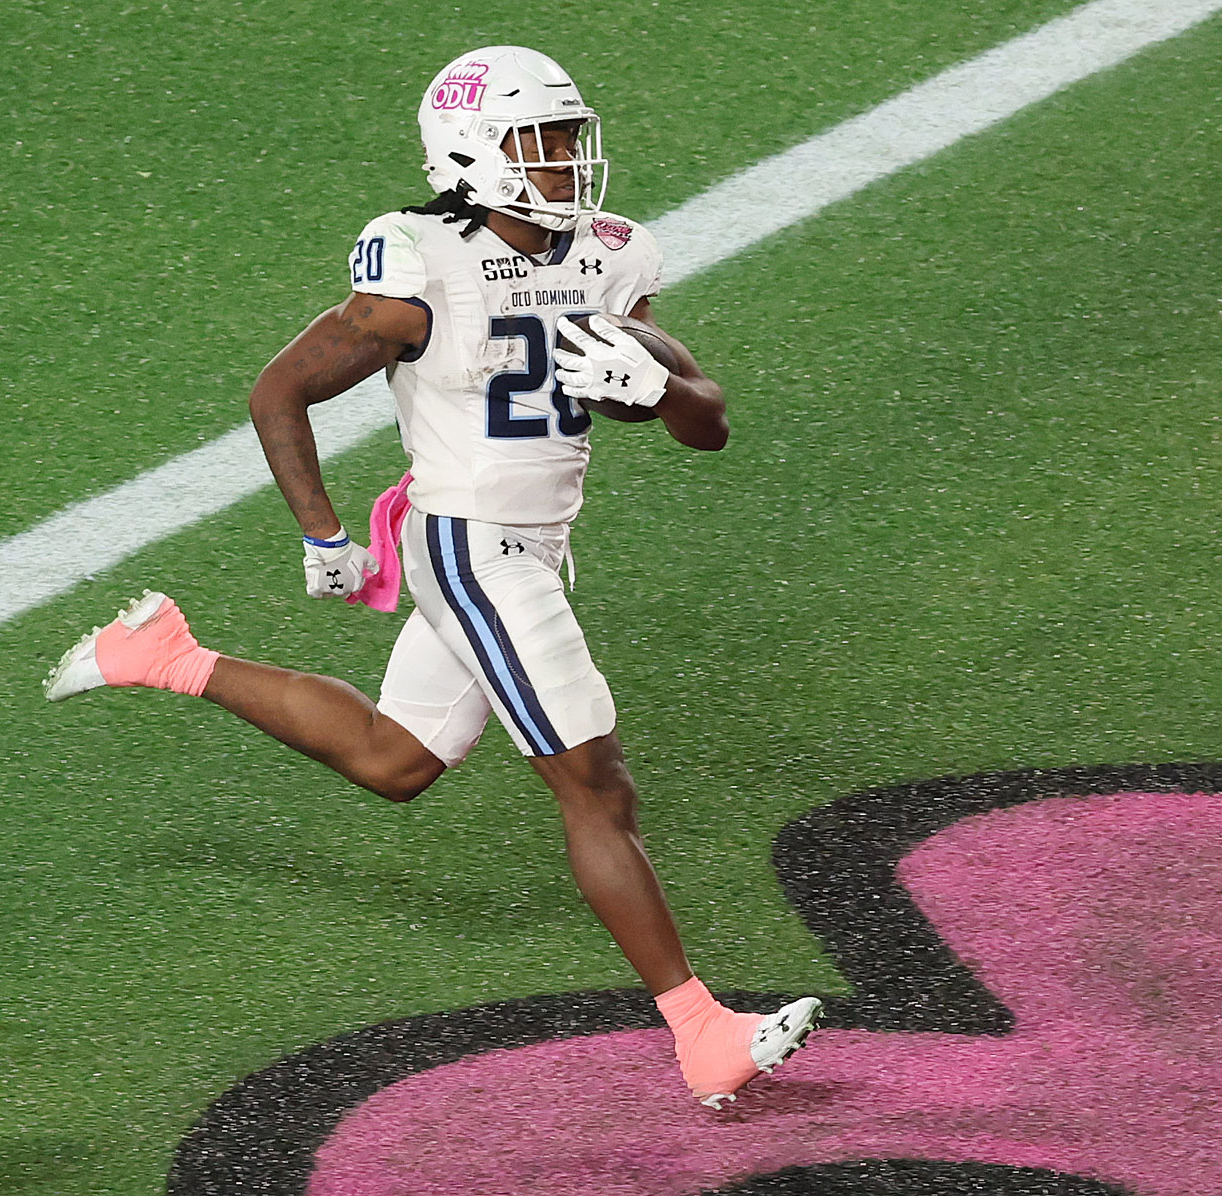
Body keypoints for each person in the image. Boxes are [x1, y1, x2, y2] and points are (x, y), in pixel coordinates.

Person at [43, 44, 821, 1109]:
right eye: (542, 143)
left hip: (533, 547)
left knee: (395, 759)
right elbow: (279, 389)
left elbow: (708, 422)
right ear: (475, 153)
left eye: (568, 139)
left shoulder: (606, 252)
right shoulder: (419, 266)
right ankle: (702, 1032)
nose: (567, 162)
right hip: (472, 546)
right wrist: (322, 533)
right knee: (596, 784)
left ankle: (168, 654)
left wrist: (656, 383)